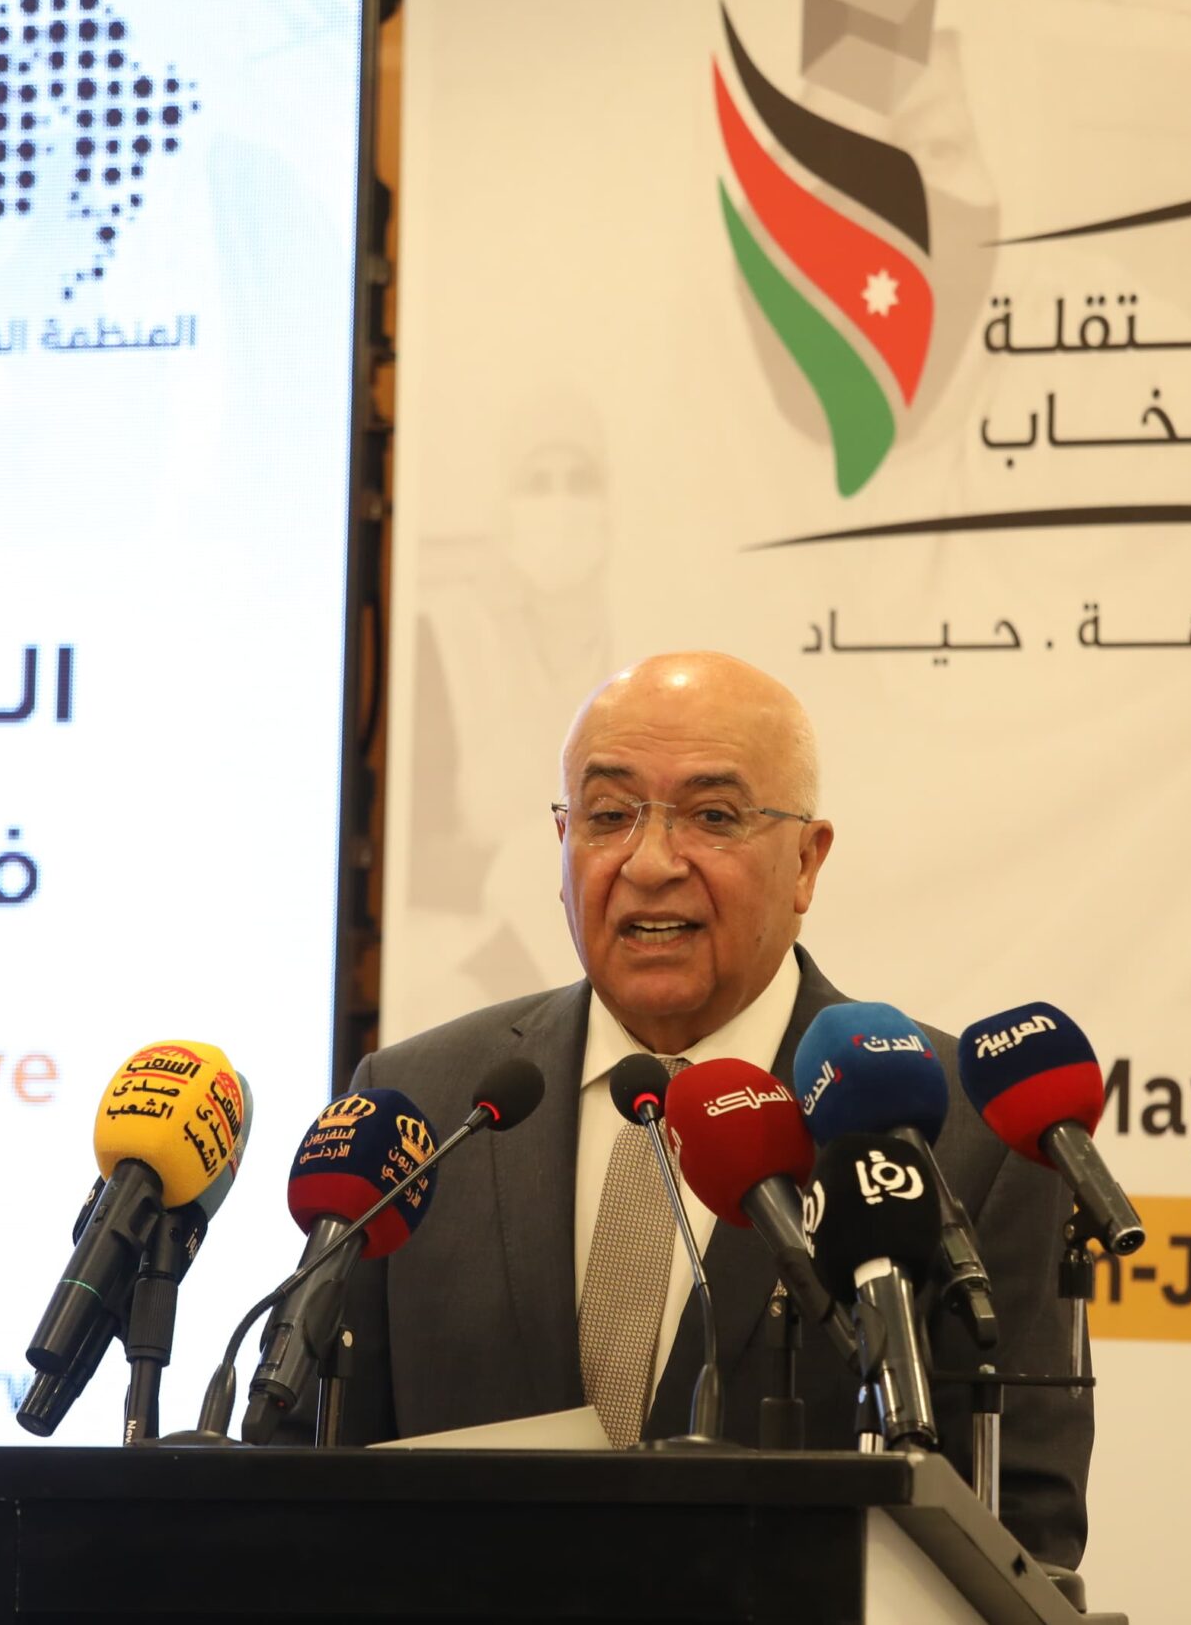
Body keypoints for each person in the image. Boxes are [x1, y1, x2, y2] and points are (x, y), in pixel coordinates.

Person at [308, 651, 1092, 1569]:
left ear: (806, 861)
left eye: (713, 816)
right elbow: (312, 1470)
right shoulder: (422, 1106)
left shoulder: (964, 1132)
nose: (650, 863)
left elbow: (1020, 1534)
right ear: (562, 843)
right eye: (609, 815)